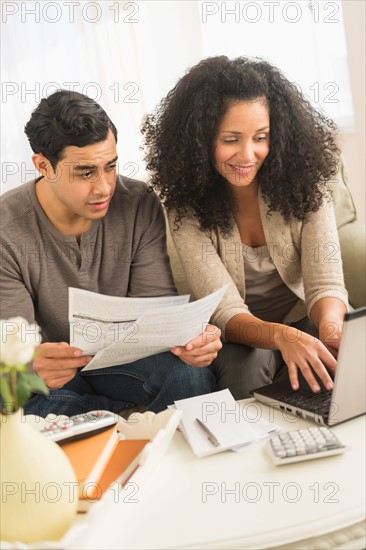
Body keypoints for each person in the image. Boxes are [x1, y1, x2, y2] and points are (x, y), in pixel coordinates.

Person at [0, 90, 222, 417]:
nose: (104, 187)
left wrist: (190, 343)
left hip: (123, 360)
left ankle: (105, 419)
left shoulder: (138, 201)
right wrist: (30, 365)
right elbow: (13, 346)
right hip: (56, 375)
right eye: (86, 172)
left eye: (110, 166)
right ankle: (118, 422)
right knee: (20, 397)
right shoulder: (7, 228)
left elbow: (154, 312)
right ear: (44, 166)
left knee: (190, 375)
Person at [143, 56, 349, 399]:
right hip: (242, 332)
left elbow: (325, 284)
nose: (247, 154)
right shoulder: (186, 207)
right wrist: (283, 337)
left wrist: (330, 332)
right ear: (200, 141)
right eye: (230, 139)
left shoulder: (306, 186)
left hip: (304, 316)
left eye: (261, 137)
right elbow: (226, 311)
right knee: (246, 369)